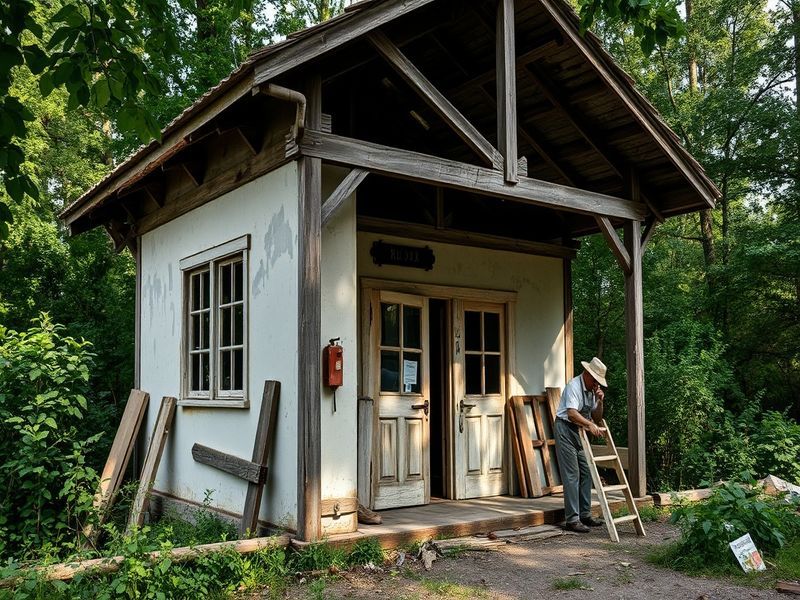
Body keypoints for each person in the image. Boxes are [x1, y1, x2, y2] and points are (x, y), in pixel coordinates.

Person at [554, 357, 608, 533]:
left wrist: (600, 401)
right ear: (587, 374)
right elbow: (571, 413)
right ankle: (572, 519)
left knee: (587, 471)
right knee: (572, 474)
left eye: (598, 382)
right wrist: (590, 424)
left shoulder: (592, 391)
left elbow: (597, 417)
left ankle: (585, 514)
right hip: (566, 429)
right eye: (595, 380)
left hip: (580, 432)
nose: (596, 384)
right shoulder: (574, 386)